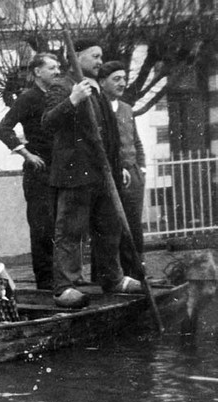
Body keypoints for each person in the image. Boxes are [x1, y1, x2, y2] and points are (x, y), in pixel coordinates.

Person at [42, 39, 143, 308]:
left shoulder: (97, 90)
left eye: (101, 56)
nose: (100, 61)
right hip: (75, 174)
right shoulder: (63, 86)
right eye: (95, 56)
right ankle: (65, 286)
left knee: (109, 228)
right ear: (76, 56)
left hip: (103, 174)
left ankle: (113, 278)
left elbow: (108, 135)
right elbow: (48, 122)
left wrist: (117, 165)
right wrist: (73, 100)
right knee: (70, 231)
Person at [0, 53, 61, 290]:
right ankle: (45, 281)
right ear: (37, 72)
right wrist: (27, 154)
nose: (57, 72)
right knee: (42, 225)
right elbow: (3, 129)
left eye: (58, 68)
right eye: (51, 68)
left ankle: (61, 277)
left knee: (60, 226)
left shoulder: (57, 96)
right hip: (39, 170)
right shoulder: (28, 97)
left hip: (60, 170)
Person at [92, 61, 146, 281]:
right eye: (116, 79)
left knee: (133, 224)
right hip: (110, 174)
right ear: (102, 82)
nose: (122, 83)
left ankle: (136, 273)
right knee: (109, 226)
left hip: (132, 175)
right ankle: (106, 276)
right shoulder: (96, 106)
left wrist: (141, 168)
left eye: (124, 79)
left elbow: (135, 140)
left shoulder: (126, 108)